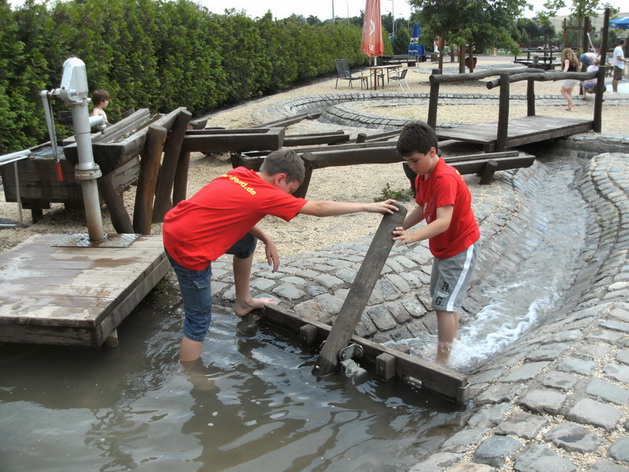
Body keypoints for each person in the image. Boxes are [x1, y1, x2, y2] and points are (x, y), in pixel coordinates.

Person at [162, 149, 399, 363]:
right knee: (198, 320)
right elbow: (318, 209)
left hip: (174, 228)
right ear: (280, 179)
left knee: (246, 242)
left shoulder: (239, 174)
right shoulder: (268, 194)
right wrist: (367, 206)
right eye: (291, 190)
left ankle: (243, 302)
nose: (290, 196)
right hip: (188, 249)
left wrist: (266, 238)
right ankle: (190, 376)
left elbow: (236, 212)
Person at [392, 121, 480, 366]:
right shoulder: (423, 176)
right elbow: (424, 207)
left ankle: (443, 360)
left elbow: (443, 221)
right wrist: (402, 226)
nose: (411, 167)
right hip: (442, 248)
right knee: (443, 300)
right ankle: (448, 345)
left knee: (444, 304)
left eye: (414, 160)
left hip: (460, 247)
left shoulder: (445, 178)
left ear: (432, 152)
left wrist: (412, 237)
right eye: (407, 162)